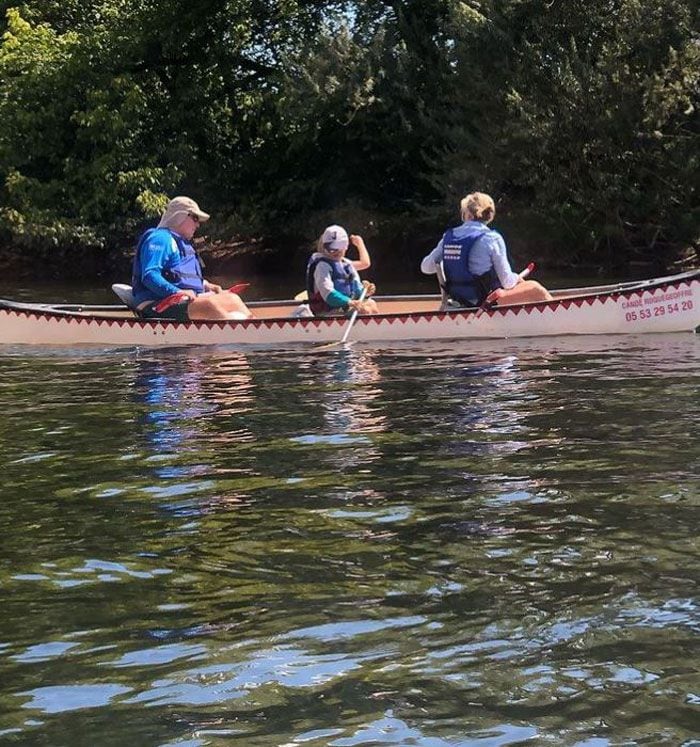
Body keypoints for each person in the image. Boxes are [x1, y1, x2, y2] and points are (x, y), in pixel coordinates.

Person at [421, 192, 552, 307]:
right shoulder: (492, 238)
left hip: (457, 297)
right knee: (535, 289)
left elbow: (426, 267)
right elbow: (507, 282)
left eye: (463, 213)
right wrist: (516, 277)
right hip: (483, 301)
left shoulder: (448, 237)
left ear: (468, 215)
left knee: (523, 284)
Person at [131, 196, 252, 321]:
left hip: (180, 300)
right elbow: (149, 276)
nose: (198, 224)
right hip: (154, 302)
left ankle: (254, 330)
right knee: (208, 306)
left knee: (232, 299)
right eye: (195, 218)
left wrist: (206, 285)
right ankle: (237, 337)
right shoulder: (160, 239)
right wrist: (176, 292)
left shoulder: (179, 242)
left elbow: (177, 275)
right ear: (180, 216)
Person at [305, 225, 378, 316]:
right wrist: (349, 302)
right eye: (331, 250)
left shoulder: (346, 264)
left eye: (339, 249)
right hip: (328, 311)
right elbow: (328, 293)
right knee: (364, 311)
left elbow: (356, 289)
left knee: (371, 304)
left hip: (344, 307)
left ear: (345, 247)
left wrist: (365, 291)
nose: (335, 252)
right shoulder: (322, 266)